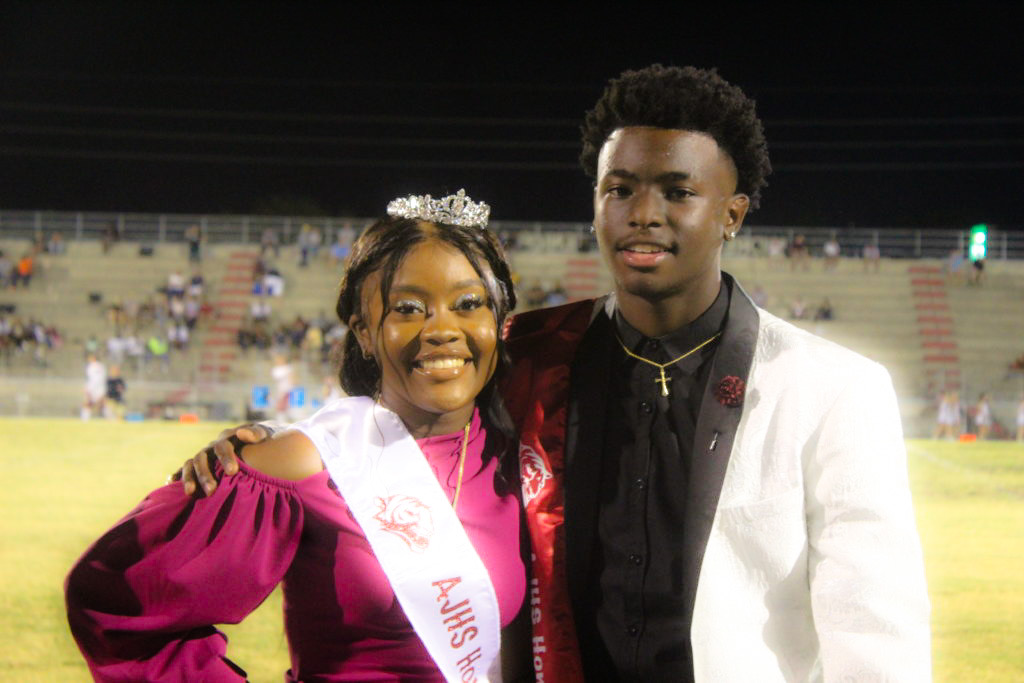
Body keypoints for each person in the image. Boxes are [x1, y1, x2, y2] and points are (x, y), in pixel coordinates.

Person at [181, 66, 931, 681]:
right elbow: (401, 421)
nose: (643, 213)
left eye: (677, 191)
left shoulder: (834, 389)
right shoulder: (528, 352)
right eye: (619, 188)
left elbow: (876, 632)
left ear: (731, 214)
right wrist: (271, 438)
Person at [66, 191, 530, 681]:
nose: (443, 329)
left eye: (468, 304)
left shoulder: (519, 453)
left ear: (498, 320)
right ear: (364, 333)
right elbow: (113, 598)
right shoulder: (303, 462)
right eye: (409, 308)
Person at [80, 353, 106, 421]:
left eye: (90, 358)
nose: (88, 359)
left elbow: (93, 379)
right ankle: (110, 419)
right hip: (100, 387)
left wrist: (87, 388)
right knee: (101, 404)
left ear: (94, 358)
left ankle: (84, 420)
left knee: (88, 403)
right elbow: (101, 378)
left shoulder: (91, 366)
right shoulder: (101, 366)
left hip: (93, 387)